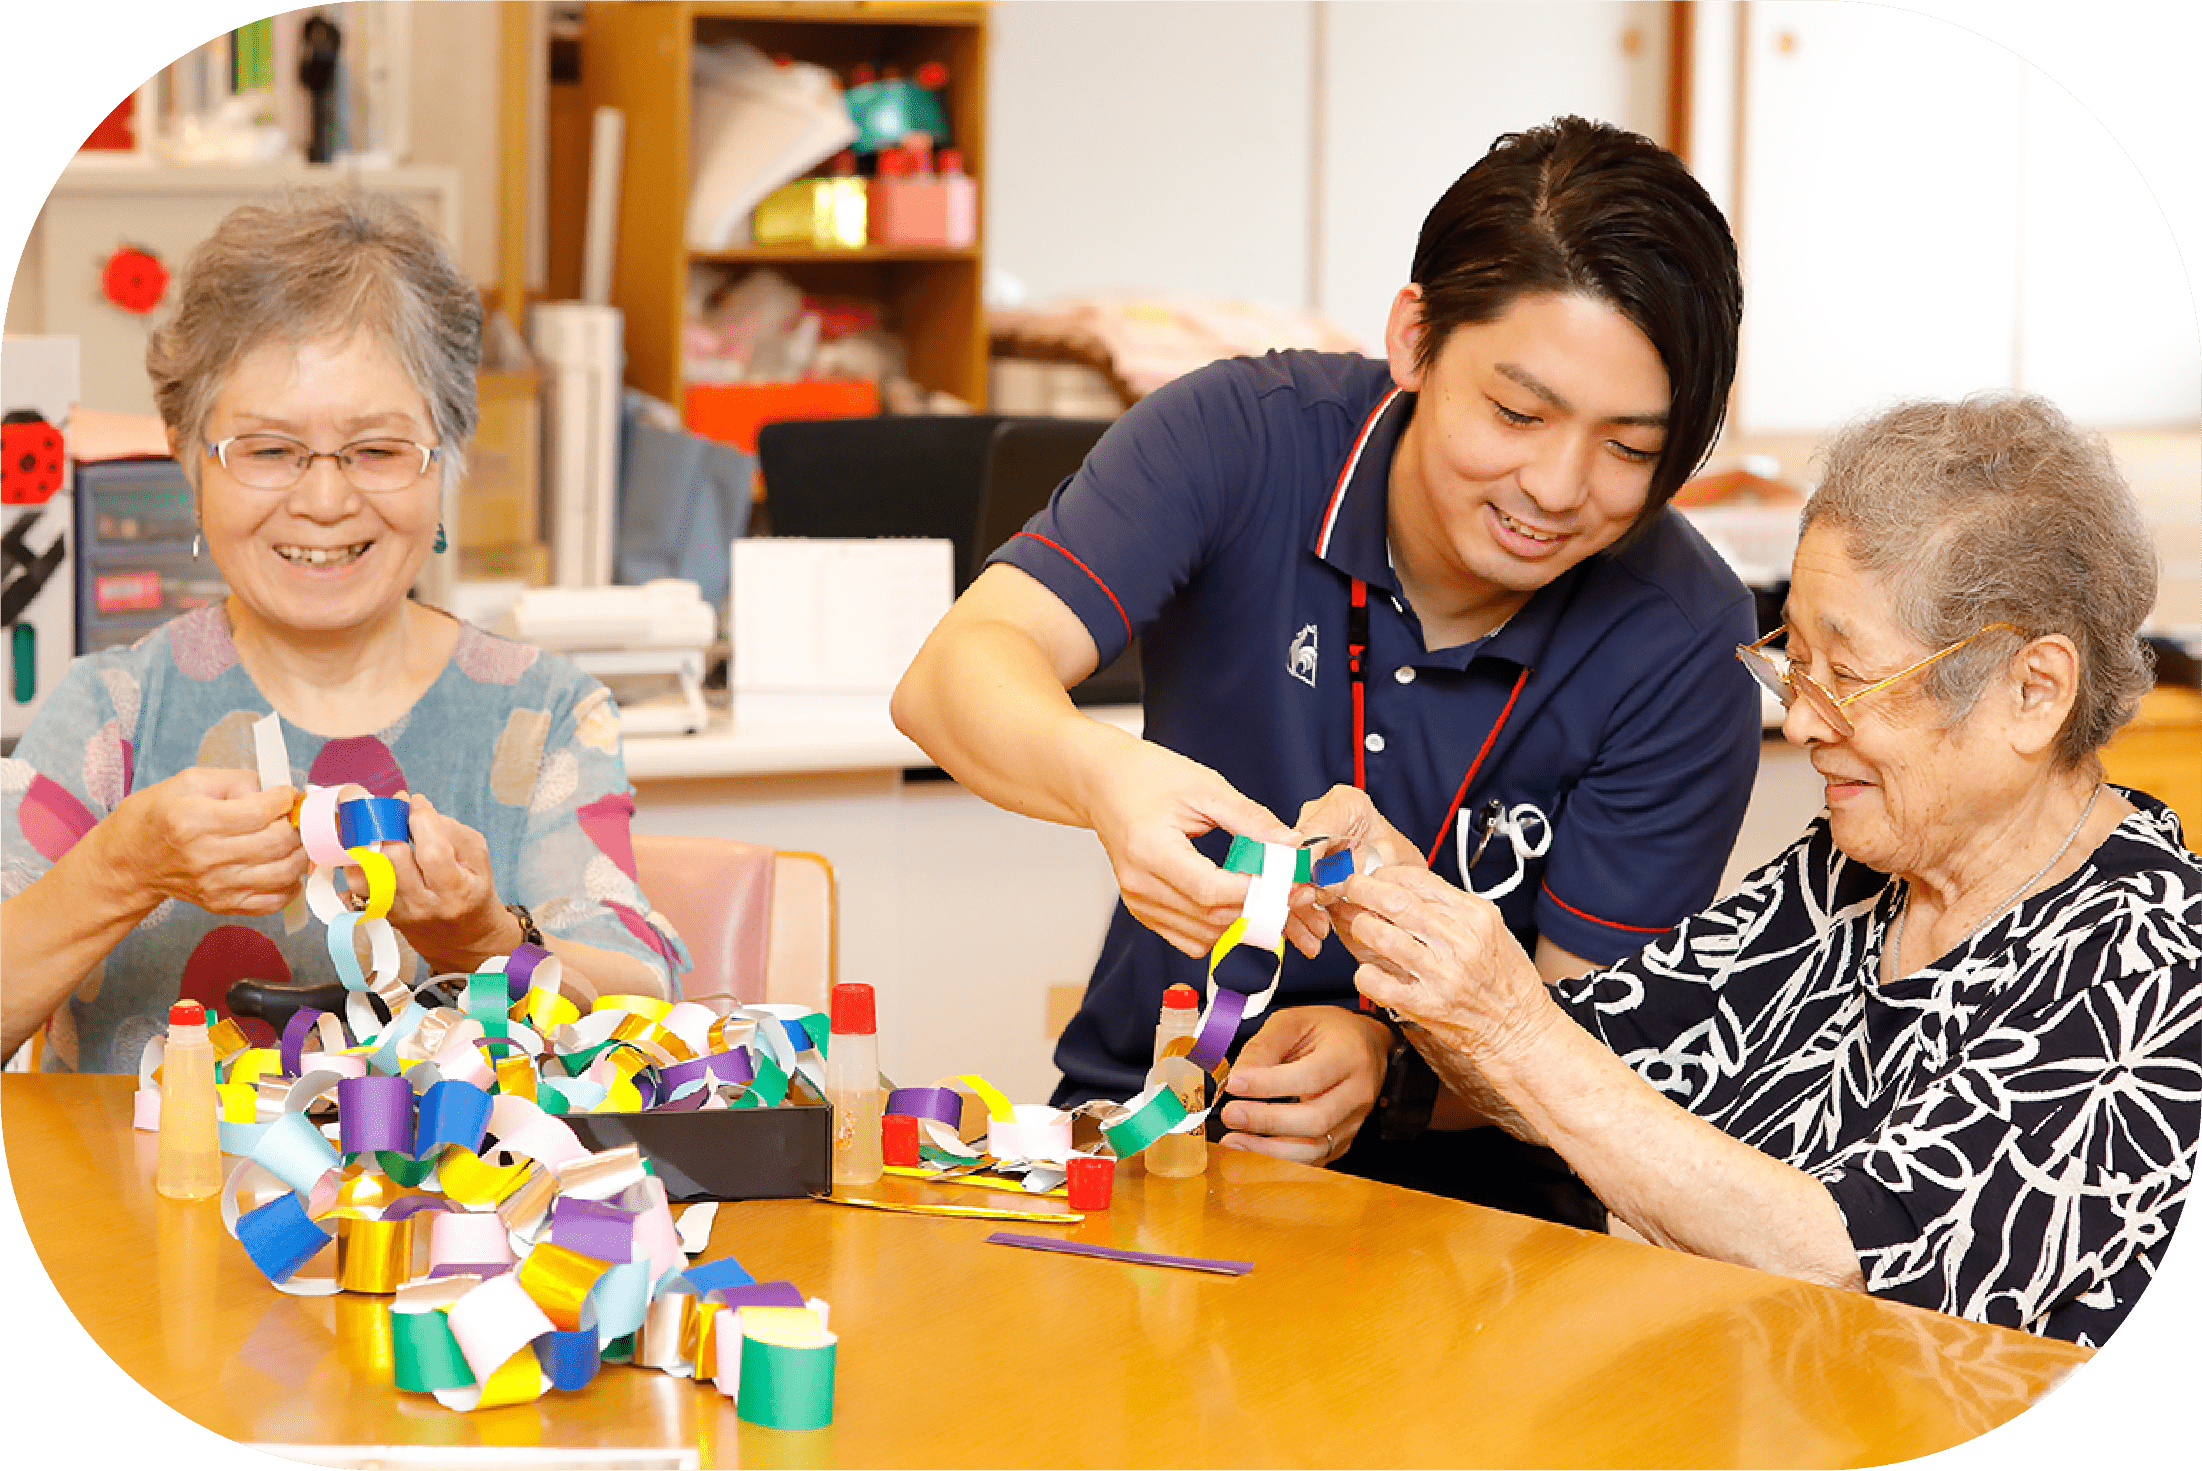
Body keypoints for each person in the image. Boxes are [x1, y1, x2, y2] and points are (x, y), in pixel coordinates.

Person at [892, 117, 1759, 1225]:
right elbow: (955, 672)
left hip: (1486, 1225)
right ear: (1414, 339)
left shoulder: (1684, 635)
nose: (1556, 483)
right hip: (1150, 1132)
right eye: (1516, 412)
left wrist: (1398, 1075)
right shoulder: (1242, 436)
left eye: (1629, 448)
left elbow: (1594, 1037)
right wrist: (1105, 777)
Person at [1331, 393, 2199, 1345]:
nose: (1801, 718)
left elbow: (1844, 1266)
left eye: (1848, 674)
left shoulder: (2152, 968)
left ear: (2032, 692)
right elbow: (1585, 1060)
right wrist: (1405, 915)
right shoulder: (1851, 875)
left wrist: (1508, 1021)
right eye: (1795, 657)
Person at [0, 192, 688, 1074]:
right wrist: (121, 869)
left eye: (377, 449)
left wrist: (484, 938)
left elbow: (646, 1018)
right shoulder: (114, 711)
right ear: (185, 455)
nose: (325, 501)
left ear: (449, 455)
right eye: (268, 449)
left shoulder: (546, 713)